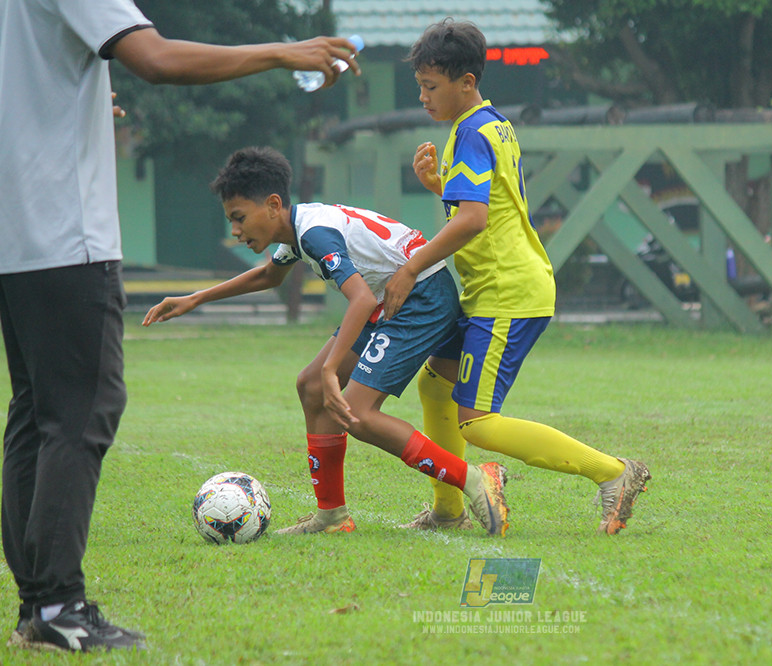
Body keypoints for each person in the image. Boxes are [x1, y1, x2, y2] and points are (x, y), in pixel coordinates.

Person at [0, 0, 361, 652]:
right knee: (81, 412)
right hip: (65, 237)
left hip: (15, 239)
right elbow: (156, 59)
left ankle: (38, 607)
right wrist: (285, 52)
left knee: (35, 413)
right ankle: (56, 606)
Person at [142, 147, 509, 540]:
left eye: (239, 218)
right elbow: (269, 276)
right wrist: (194, 299)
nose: (235, 230)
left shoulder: (313, 233)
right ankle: (332, 516)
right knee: (312, 385)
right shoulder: (299, 229)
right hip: (392, 297)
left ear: (272, 205)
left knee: (357, 413)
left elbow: (362, 299)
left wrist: (334, 367)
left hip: (421, 297)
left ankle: (474, 479)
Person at [382, 19, 651, 537]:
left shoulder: (472, 131)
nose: (422, 98)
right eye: (420, 86)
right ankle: (447, 510)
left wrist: (410, 267)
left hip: (507, 292)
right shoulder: (493, 123)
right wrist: (440, 185)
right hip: (497, 287)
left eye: (430, 86)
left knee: (478, 420)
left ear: (466, 82)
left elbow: (474, 220)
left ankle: (615, 473)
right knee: (436, 386)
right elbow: (489, 207)